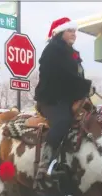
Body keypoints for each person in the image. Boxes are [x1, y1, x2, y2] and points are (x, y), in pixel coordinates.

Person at [34, 17, 94, 180]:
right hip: (52, 99)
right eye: (70, 31)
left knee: (92, 118)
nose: (74, 34)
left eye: (74, 31)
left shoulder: (72, 53)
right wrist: (84, 86)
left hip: (70, 98)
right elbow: (61, 76)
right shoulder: (52, 51)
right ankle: (44, 163)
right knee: (63, 121)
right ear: (60, 33)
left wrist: (84, 91)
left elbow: (75, 75)